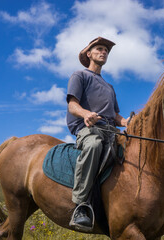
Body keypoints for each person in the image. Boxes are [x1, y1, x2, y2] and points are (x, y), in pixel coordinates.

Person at [66, 37, 128, 229]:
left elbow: (115, 115)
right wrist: (85, 113)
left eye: (106, 51)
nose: (104, 52)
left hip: (111, 130)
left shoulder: (110, 87)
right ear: (89, 54)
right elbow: (72, 105)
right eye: (99, 49)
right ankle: (81, 205)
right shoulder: (80, 75)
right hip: (88, 129)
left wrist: (127, 122)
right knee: (93, 145)